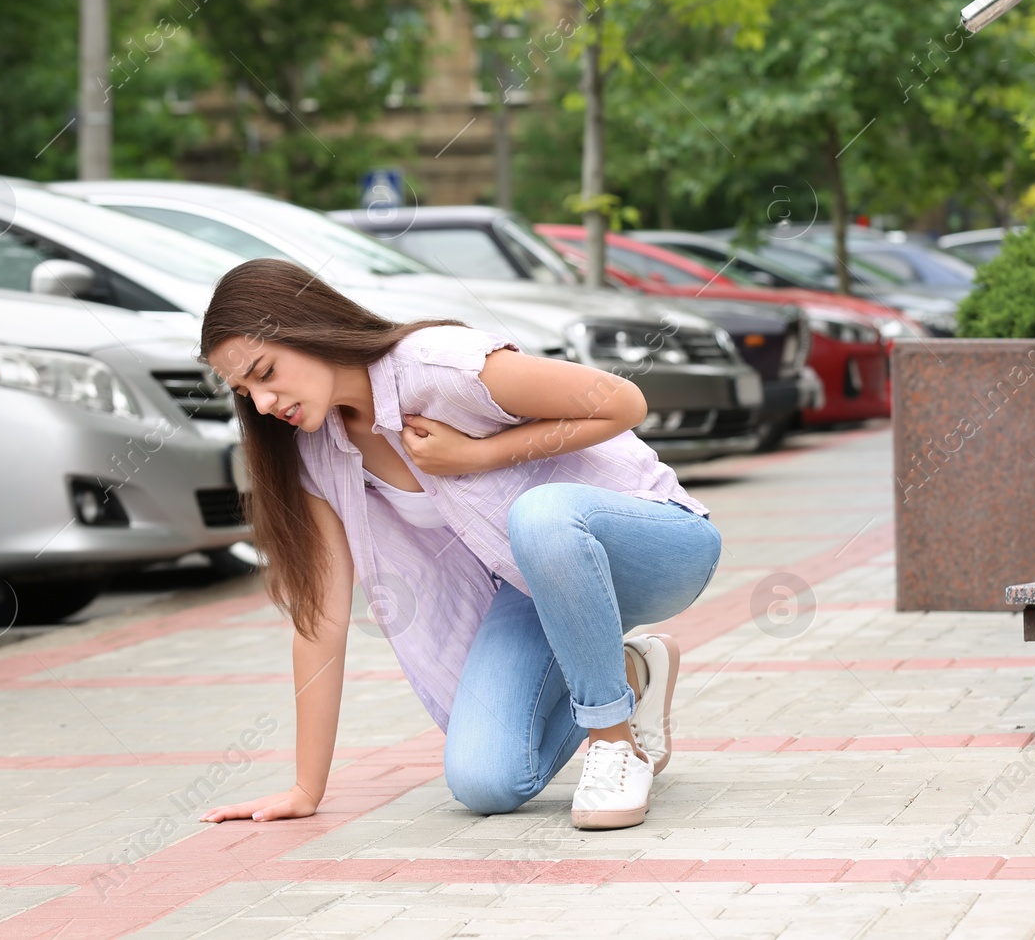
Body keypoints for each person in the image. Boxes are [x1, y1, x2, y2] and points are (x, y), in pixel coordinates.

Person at [195, 259, 723, 829]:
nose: (264, 402)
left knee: (541, 513)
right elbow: (321, 616)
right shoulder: (318, 454)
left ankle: (614, 743)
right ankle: (629, 669)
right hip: (536, 588)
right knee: (484, 782)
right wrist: (306, 787)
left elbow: (622, 402)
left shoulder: (438, 364)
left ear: (310, 329)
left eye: (266, 372)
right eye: (245, 391)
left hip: (658, 541)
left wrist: (478, 454)